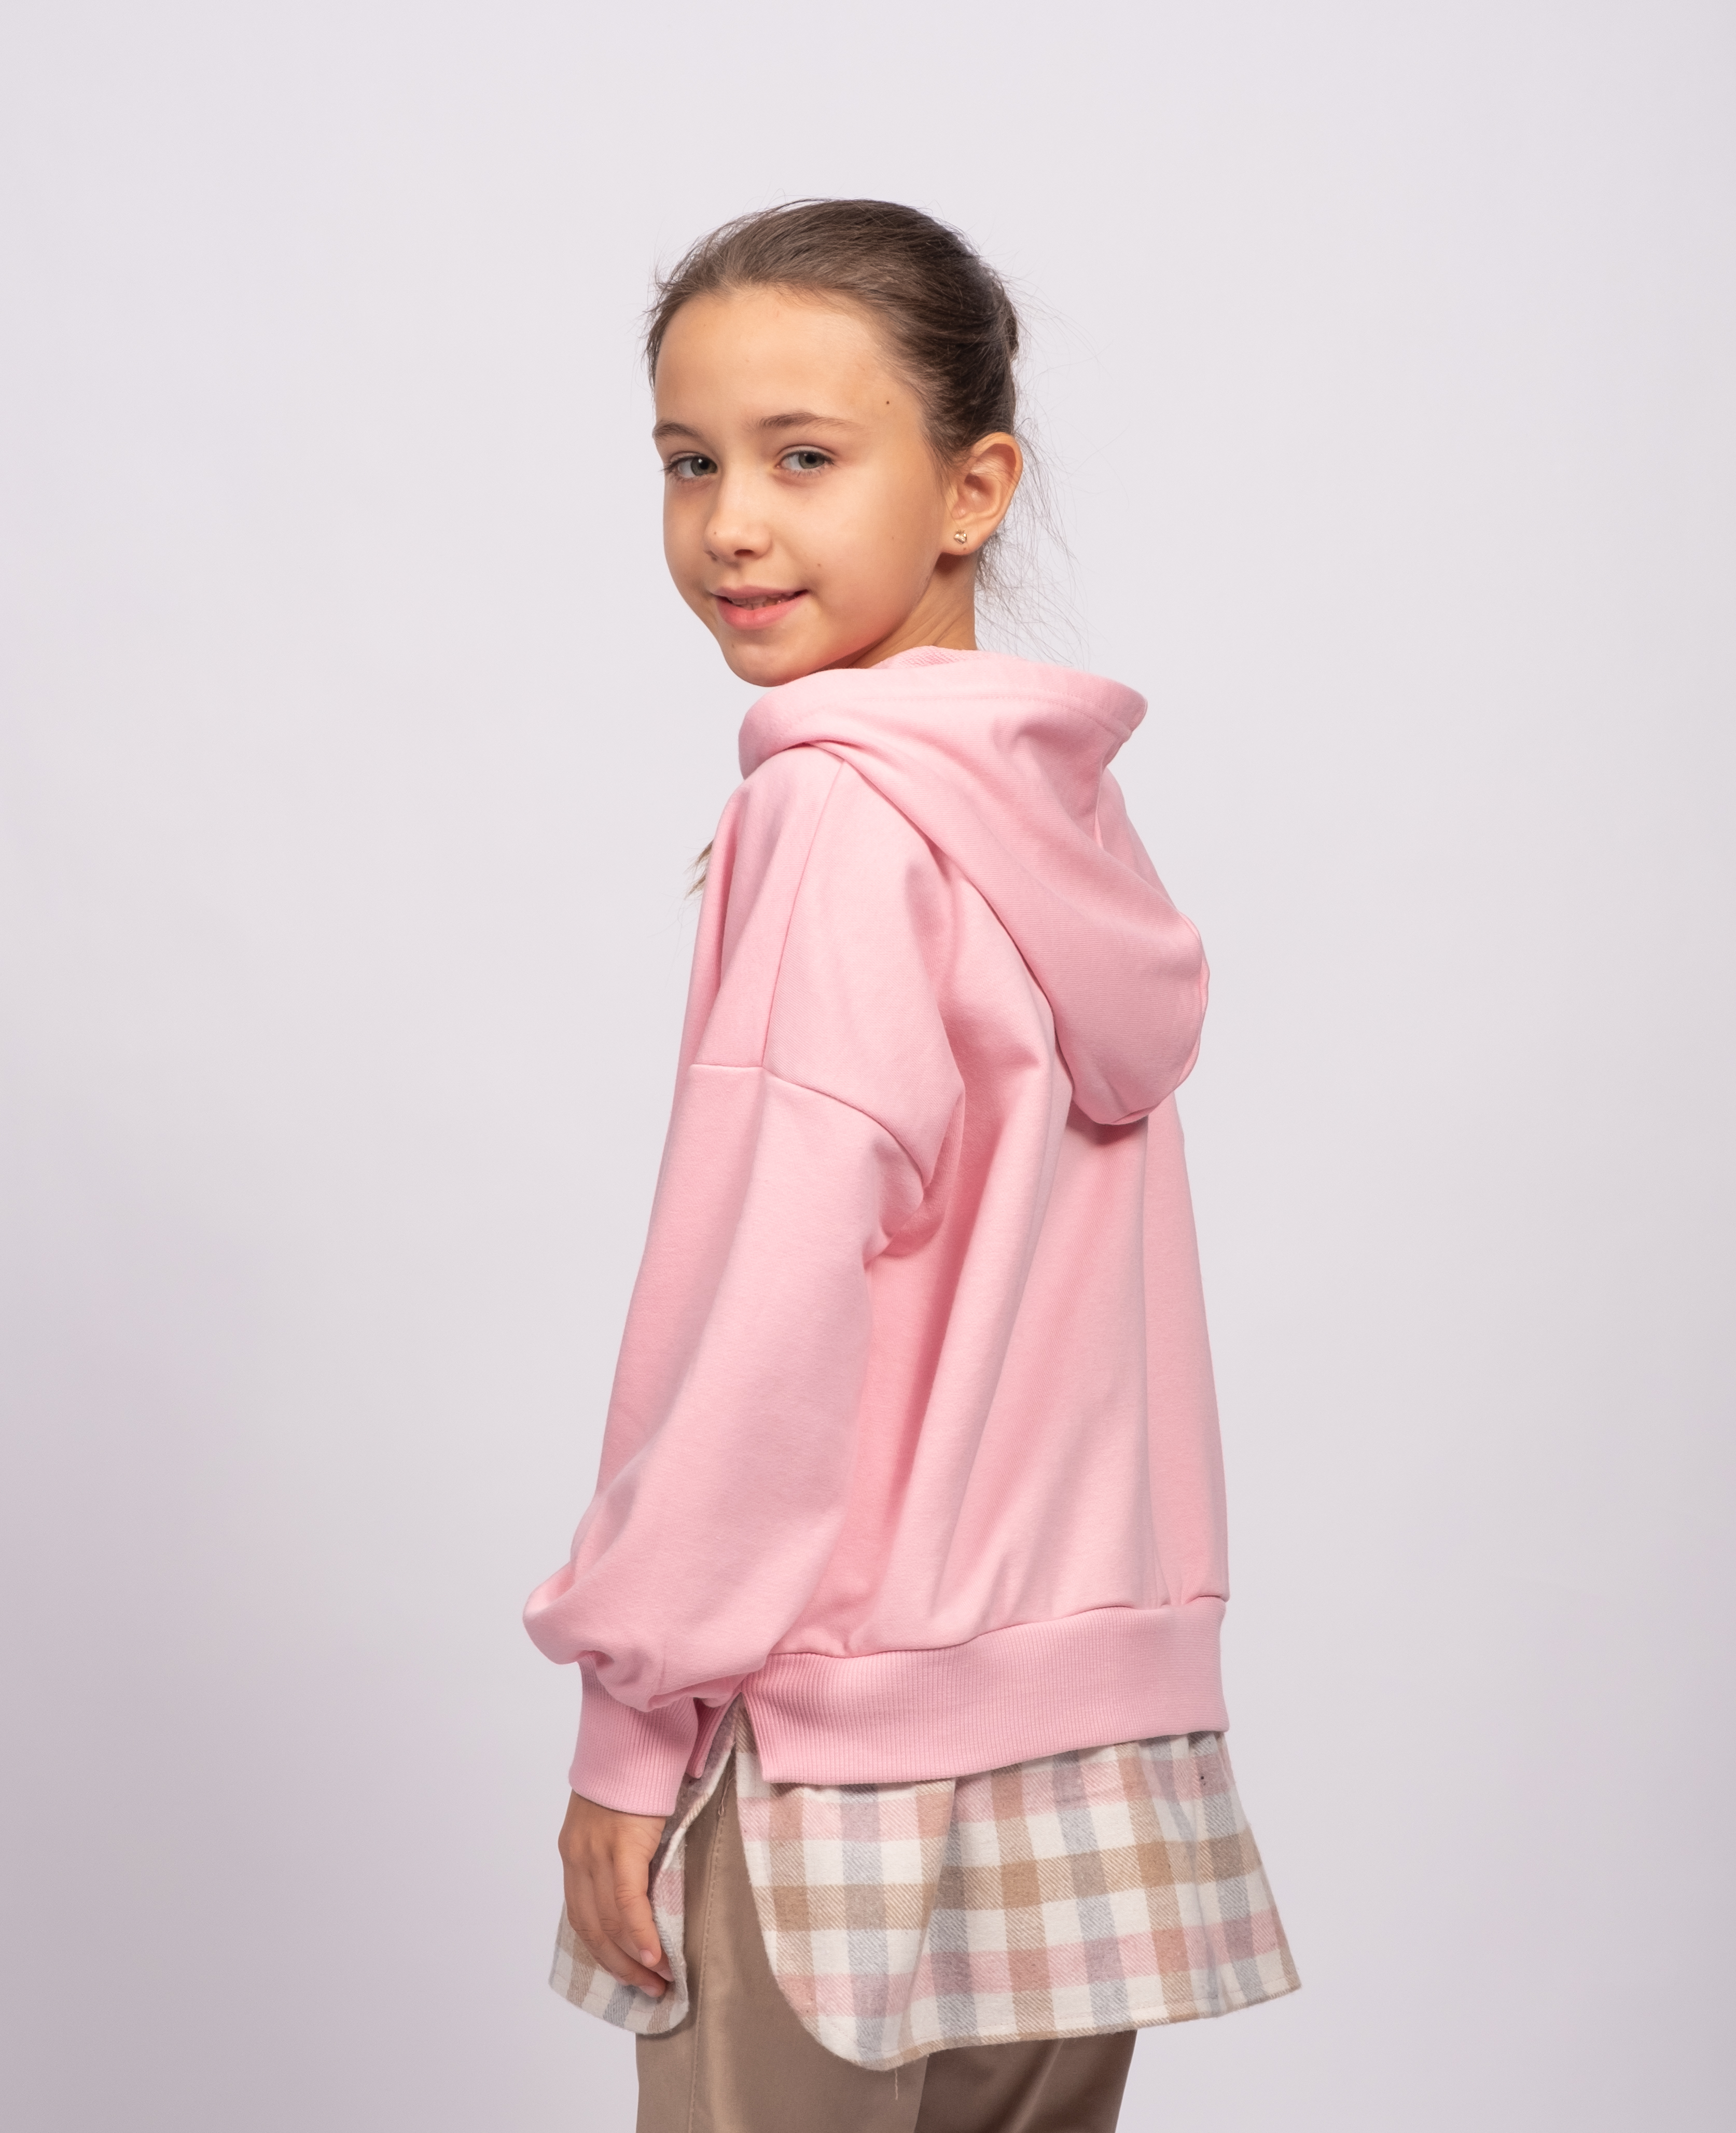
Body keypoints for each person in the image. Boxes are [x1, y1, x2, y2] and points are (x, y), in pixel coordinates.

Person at [524, 198, 1297, 2133]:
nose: (731, 525)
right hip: (1092, 1762)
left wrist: (632, 1725)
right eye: (688, 463)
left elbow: (764, 1313)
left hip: (834, 1766)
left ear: (973, 490)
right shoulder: (1061, 822)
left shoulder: (835, 816)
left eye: (802, 458)